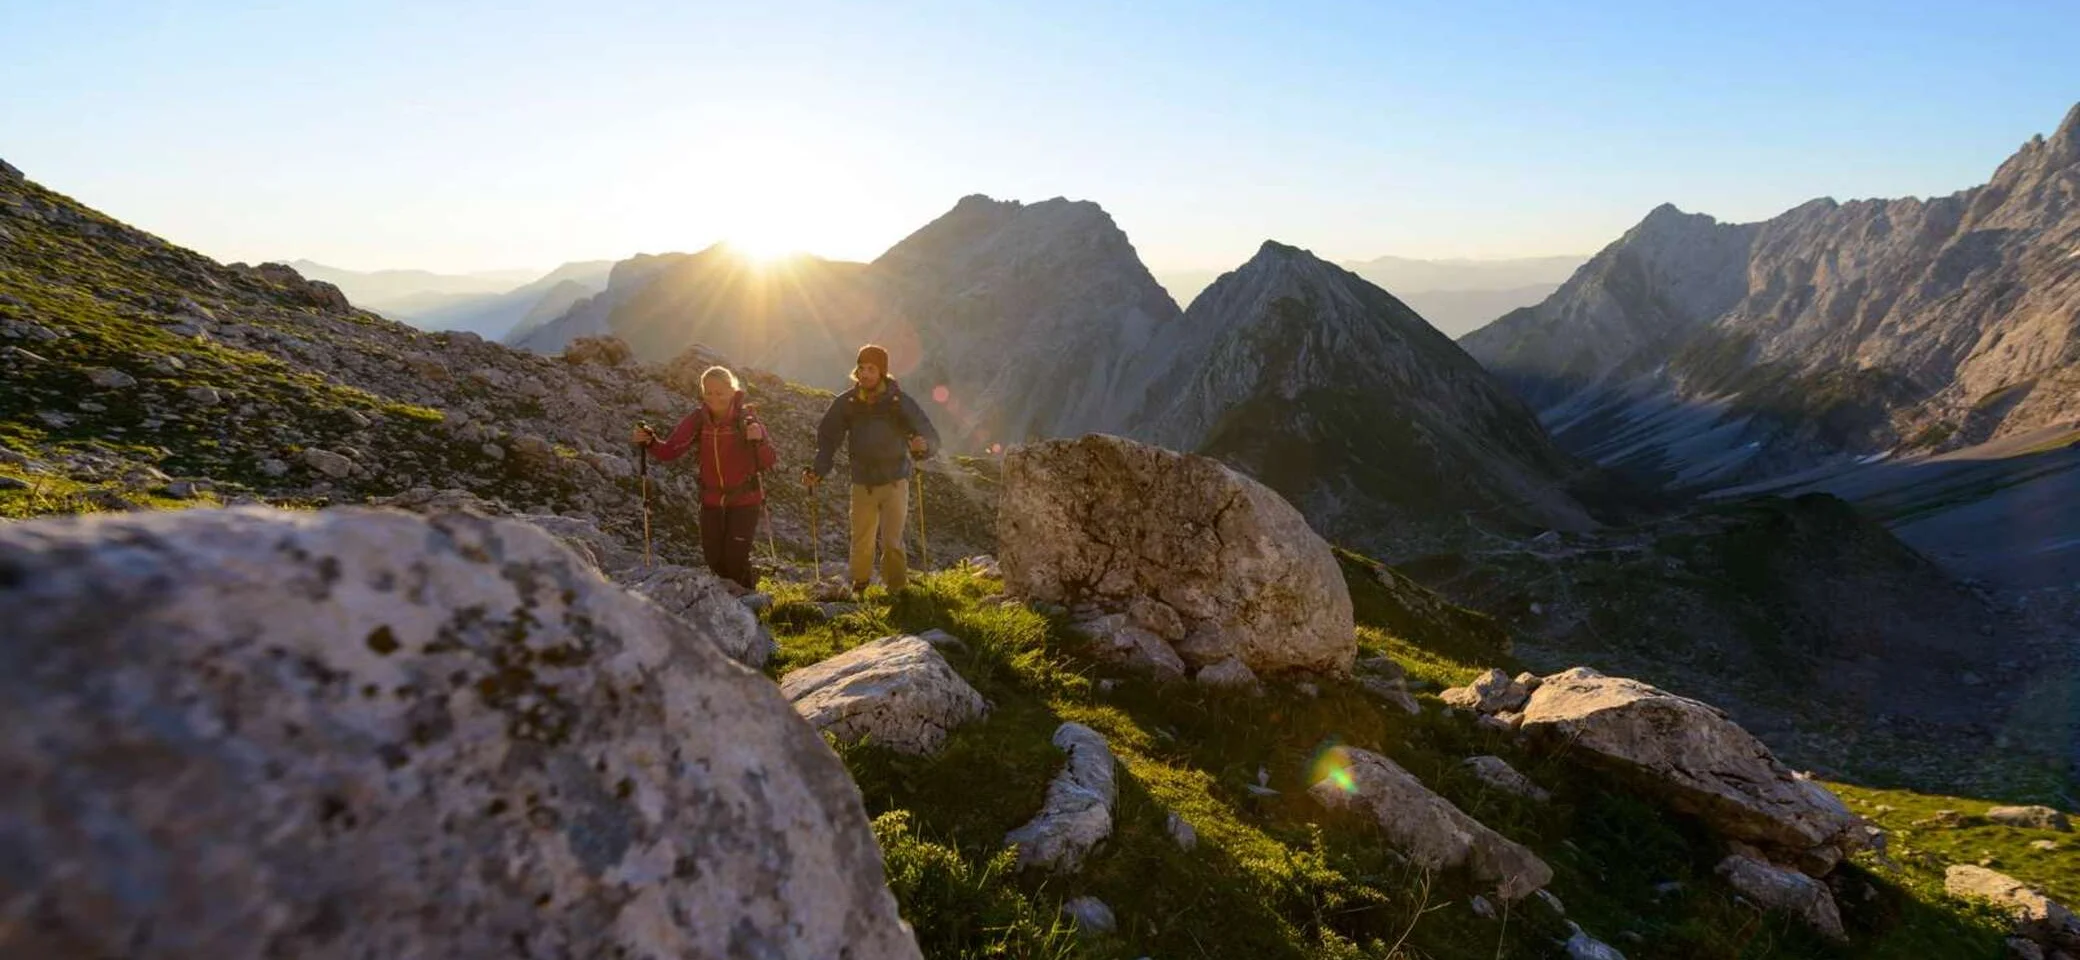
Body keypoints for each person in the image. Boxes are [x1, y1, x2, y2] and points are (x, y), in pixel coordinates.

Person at [804, 344, 940, 594]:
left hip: (895, 481)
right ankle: (860, 586)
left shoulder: (899, 402)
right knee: (862, 539)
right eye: (861, 368)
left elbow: (930, 435)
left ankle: (897, 591)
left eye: (871, 369)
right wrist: (818, 470)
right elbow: (828, 439)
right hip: (862, 482)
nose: (864, 374)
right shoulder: (848, 402)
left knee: (892, 541)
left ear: (882, 372)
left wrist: (924, 447)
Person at [631, 365, 778, 594]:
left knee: (734, 559)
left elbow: (769, 460)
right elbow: (671, 450)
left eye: (720, 392)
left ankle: (748, 602)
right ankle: (732, 602)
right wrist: (650, 441)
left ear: (732, 391)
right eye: (708, 392)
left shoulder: (747, 419)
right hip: (711, 501)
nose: (714, 398)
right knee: (714, 560)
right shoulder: (698, 419)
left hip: (745, 501)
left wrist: (758, 440)